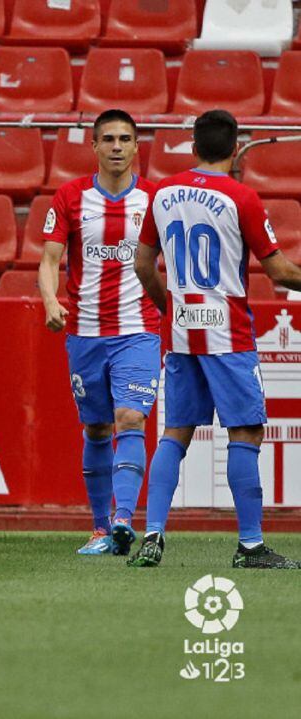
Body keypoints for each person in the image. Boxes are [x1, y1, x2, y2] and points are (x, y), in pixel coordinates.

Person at [133, 109, 301, 568]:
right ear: (234, 149)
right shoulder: (240, 197)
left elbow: (142, 265)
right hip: (227, 331)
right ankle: (250, 546)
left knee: (174, 433)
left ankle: (152, 534)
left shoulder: (162, 193)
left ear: (193, 146)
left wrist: (169, 309)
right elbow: (281, 271)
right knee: (244, 430)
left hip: (182, 330)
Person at [38, 109, 160, 556]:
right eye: (107, 139)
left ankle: (124, 519)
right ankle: (99, 528)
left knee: (130, 418)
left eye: (124, 139)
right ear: (93, 146)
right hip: (85, 333)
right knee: (94, 428)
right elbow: (50, 259)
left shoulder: (153, 199)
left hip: (138, 330)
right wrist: (51, 300)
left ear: (135, 146)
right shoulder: (70, 197)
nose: (115, 147)